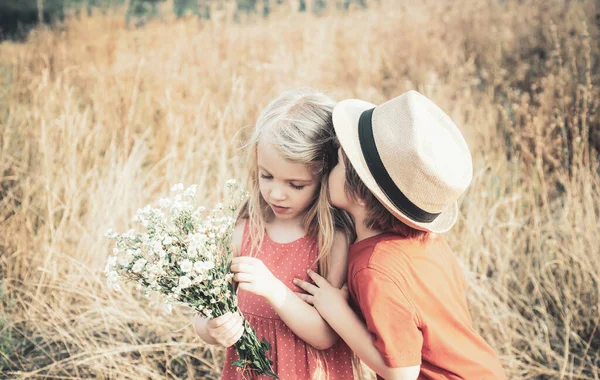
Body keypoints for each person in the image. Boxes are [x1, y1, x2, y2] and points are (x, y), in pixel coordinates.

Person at [294, 91, 507, 379]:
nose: (330, 167)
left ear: (358, 193)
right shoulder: (426, 242)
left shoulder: (375, 268)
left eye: (340, 162)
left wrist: (337, 312)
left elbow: (401, 373)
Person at [194, 89, 356, 379]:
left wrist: (273, 289)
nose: (276, 194)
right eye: (266, 176)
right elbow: (206, 308)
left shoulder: (331, 240)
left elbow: (326, 335)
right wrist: (210, 328)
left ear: (325, 175)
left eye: (296, 184)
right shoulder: (245, 229)